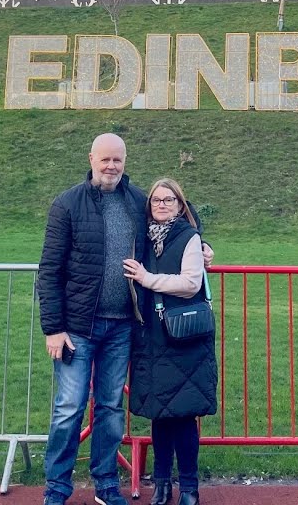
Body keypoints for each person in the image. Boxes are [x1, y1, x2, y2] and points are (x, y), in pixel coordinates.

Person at [37, 134, 211, 505]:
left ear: (125, 161)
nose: (111, 166)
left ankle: (105, 486)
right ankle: (57, 488)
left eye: (117, 160)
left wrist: (203, 243)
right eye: (105, 160)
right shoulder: (67, 204)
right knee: (69, 408)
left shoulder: (137, 202)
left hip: (121, 327)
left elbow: (178, 212)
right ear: (91, 159)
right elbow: (49, 269)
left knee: (111, 408)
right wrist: (53, 328)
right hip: (78, 327)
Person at [122, 178, 217, 505]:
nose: (161, 205)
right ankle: (162, 485)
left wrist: (147, 279)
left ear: (180, 205)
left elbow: (190, 283)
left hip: (184, 334)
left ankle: (189, 487)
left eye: (169, 200)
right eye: (156, 201)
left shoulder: (188, 237)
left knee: (184, 416)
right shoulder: (142, 239)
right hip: (153, 336)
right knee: (160, 415)